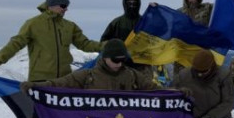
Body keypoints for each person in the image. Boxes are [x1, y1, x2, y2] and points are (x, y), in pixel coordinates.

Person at [0, 0, 103, 82]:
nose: (66, 9)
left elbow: (85, 44)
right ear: (51, 6)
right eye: (63, 6)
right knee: (40, 117)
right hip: (40, 80)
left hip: (64, 80)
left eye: (67, 6)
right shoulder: (33, 24)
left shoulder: (69, 26)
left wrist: (108, 45)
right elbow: (15, 44)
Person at [20, 39, 157, 92]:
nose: (119, 64)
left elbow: (156, 90)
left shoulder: (132, 75)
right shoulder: (87, 76)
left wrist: (177, 92)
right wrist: (36, 86)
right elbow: (59, 84)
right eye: (115, 60)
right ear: (105, 57)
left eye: (123, 60)